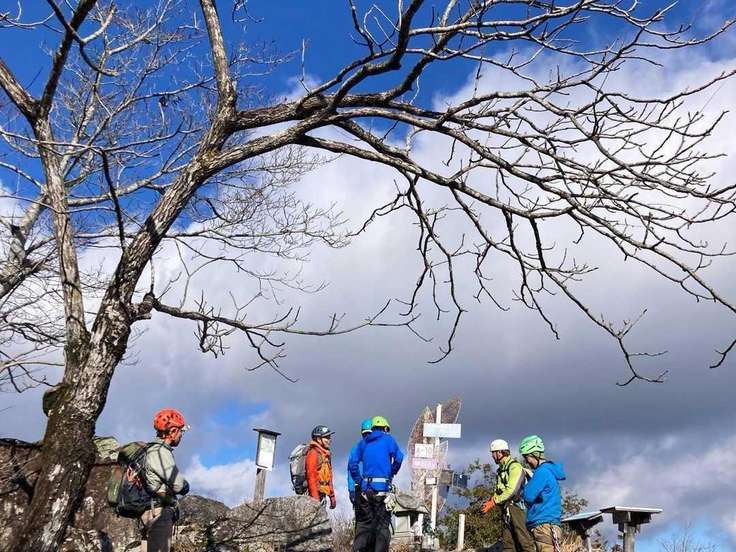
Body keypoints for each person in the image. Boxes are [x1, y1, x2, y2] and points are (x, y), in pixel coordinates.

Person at [349, 415, 404, 552]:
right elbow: (399, 458)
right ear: (385, 428)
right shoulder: (388, 440)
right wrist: (392, 472)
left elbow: (352, 464)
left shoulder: (363, 443)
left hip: (365, 492)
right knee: (382, 527)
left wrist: (360, 482)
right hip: (382, 491)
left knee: (364, 525)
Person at [141, 408, 191, 552]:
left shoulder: (150, 449)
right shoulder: (160, 451)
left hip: (148, 510)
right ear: (173, 431)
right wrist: (185, 485)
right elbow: (178, 485)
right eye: (181, 431)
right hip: (158, 513)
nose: (181, 435)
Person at [481, 439, 535, 552]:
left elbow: (512, 490)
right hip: (507, 509)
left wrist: (494, 502)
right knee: (508, 544)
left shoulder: (515, 467)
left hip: (518, 508)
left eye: (493, 453)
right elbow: (500, 491)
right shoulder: (501, 470)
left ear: (500, 452)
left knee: (524, 542)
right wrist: (491, 500)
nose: (492, 456)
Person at [519, 435, 566, 552]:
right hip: (549, 526)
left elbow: (528, 496)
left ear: (535, 454)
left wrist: (526, 483)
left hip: (543, 525)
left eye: (527, 457)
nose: (527, 461)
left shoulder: (542, 472)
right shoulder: (548, 471)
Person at [305, 425, 337, 509]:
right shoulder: (313, 453)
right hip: (312, 497)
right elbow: (311, 477)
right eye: (326, 437)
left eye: (329, 437)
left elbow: (329, 477)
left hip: (322, 494)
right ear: (319, 439)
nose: (329, 440)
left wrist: (332, 496)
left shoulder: (325, 455)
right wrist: (315, 500)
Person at [348, 418, 374, 504]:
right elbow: (351, 470)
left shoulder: (356, 449)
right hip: (367, 488)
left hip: (363, 487)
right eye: (365, 434)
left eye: (369, 433)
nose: (367, 436)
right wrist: (352, 490)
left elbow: (351, 470)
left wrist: (351, 490)